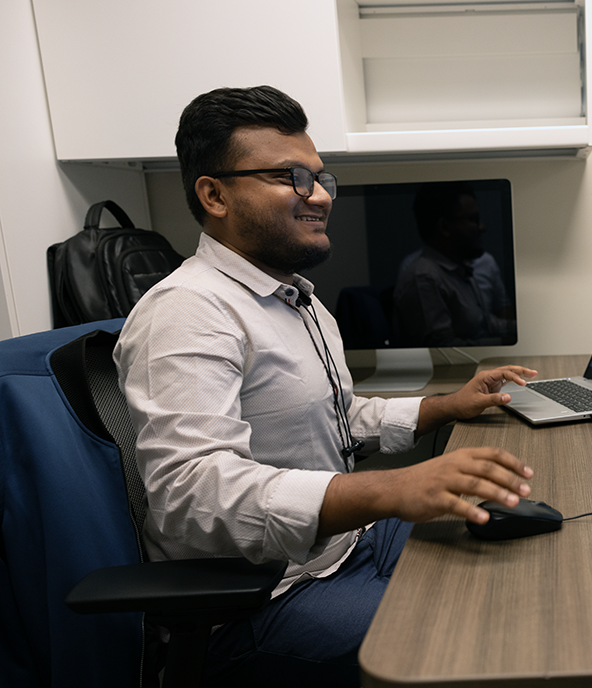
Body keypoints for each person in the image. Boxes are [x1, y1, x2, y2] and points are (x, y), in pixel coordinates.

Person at [113, 85, 537, 686]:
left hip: (346, 549)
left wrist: (447, 407)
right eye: (291, 177)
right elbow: (192, 495)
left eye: (320, 177)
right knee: (486, 640)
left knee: (523, 563)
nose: (319, 196)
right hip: (266, 599)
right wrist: (389, 490)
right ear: (214, 194)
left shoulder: (297, 300)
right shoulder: (187, 312)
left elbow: (337, 415)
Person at [392, 181, 515, 346]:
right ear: (444, 227)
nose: (482, 227)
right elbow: (443, 351)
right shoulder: (423, 277)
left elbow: (485, 324)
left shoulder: (457, 269)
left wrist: (522, 331)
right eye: (472, 219)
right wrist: (503, 342)